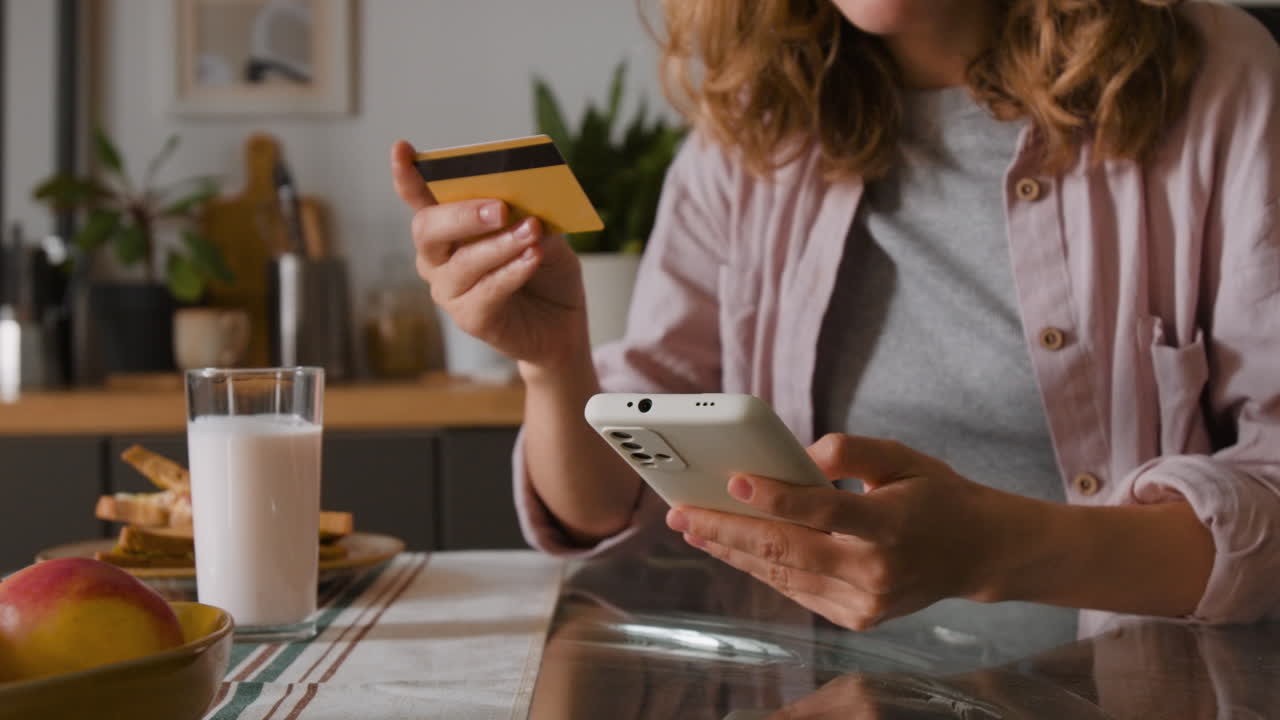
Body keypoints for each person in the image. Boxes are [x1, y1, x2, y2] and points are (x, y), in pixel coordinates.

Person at [391, 0, 1280, 630]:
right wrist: (554, 364)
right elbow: (603, 504)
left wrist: (995, 551)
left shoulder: (1223, 81)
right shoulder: (750, 128)